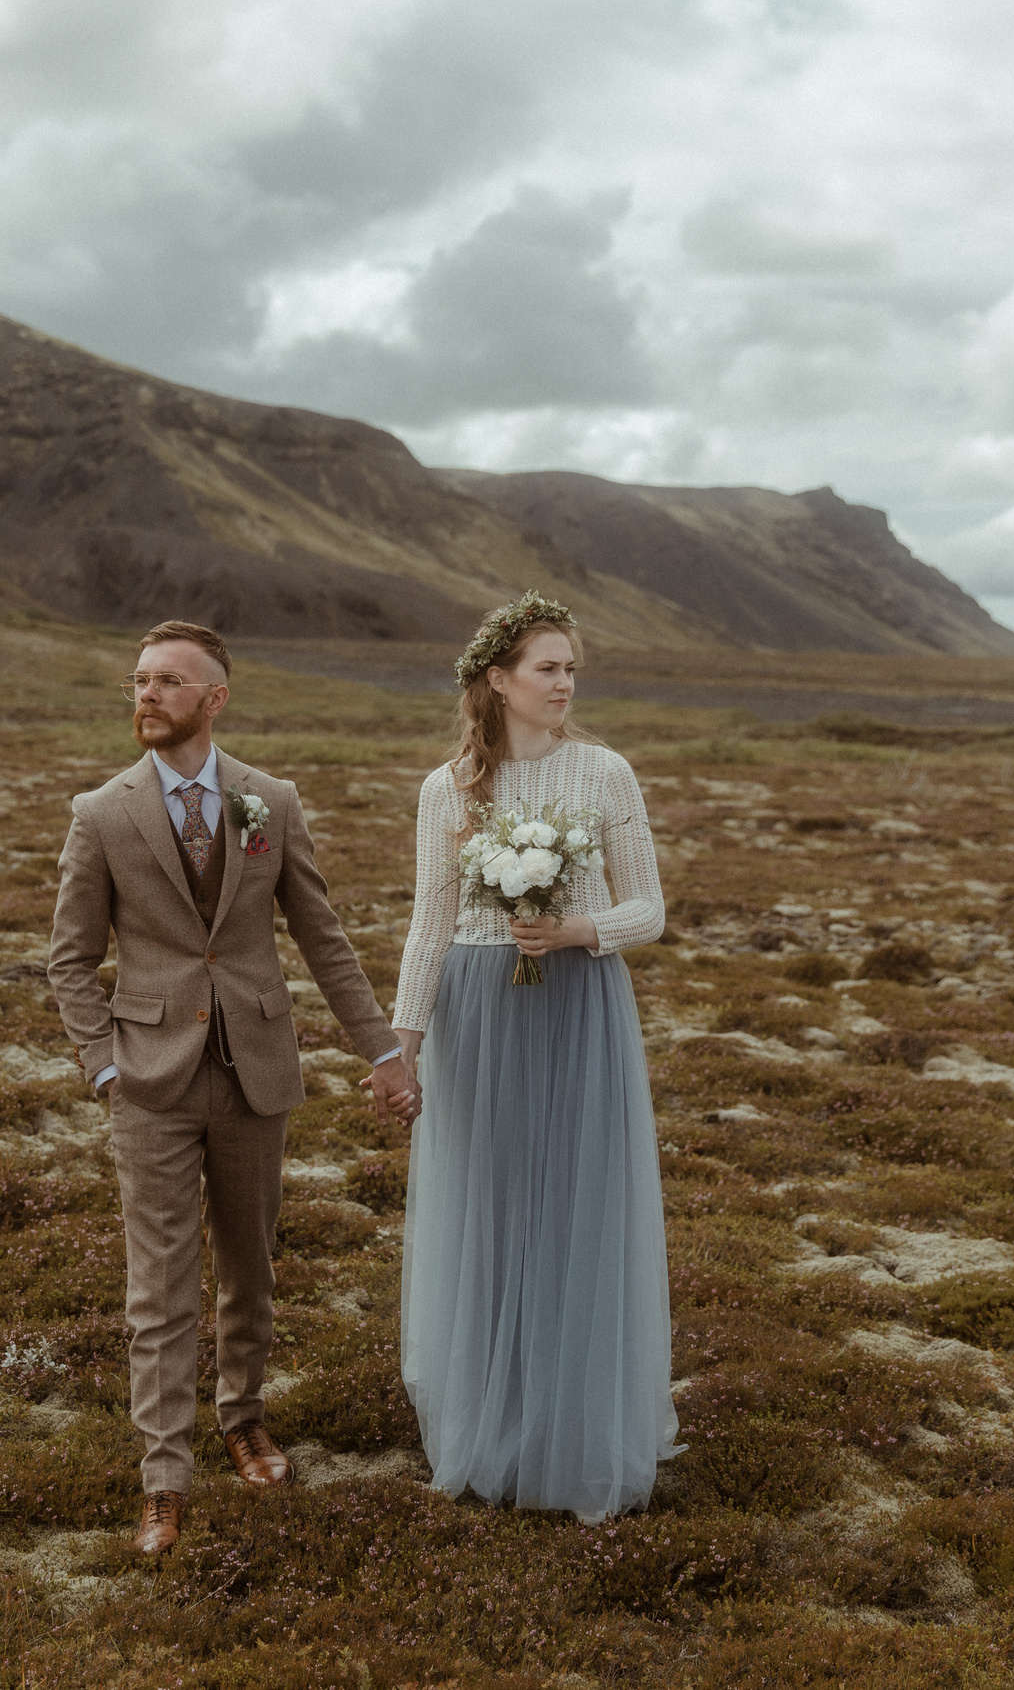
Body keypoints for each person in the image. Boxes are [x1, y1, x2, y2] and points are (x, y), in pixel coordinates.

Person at [48, 619, 420, 1555]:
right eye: (139, 679)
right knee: (161, 1285)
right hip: (149, 1083)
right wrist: (104, 1065)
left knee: (250, 1265)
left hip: (257, 1071)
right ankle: (164, 1477)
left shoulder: (271, 801)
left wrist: (383, 1051)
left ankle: (243, 1418)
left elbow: (322, 937)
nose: (146, 693)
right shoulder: (100, 813)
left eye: (168, 681)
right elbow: (69, 960)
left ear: (214, 699)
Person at [389, 592, 679, 1521]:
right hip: (479, 1012)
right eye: (548, 668)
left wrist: (577, 930)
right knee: (489, 1211)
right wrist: (402, 1042)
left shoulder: (605, 772)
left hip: (579, 1005)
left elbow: (650, 909)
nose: (564, 684)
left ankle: (576, 1429)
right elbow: (430, 922)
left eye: (570, 669)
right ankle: (496, 1423)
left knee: (576, 1207)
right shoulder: (447, 788)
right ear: (499, 679)